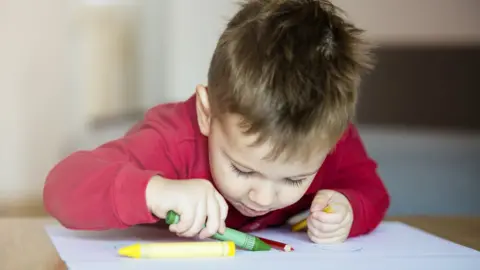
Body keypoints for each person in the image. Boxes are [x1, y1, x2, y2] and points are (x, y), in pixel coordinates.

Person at [43, 0, 389, 244]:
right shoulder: (172, 140)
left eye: (295, 178)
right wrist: (155, 191)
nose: (264, 197)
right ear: (207, 113)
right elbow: (61, 187)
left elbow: (372, 192)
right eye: (242, 169)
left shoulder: (325, 134)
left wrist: (349, 209)